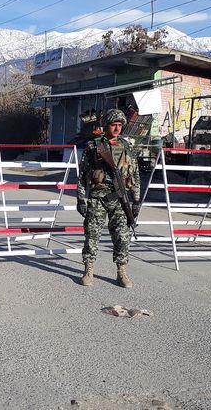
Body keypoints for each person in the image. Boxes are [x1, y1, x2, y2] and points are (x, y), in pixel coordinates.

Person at [76, 109, 140, 288]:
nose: (117, 128)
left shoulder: (127, 147)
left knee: (122, 236)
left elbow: (135, 174)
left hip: (120, 199)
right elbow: (82, 175)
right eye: (114, 125)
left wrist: (136, 200)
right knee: (92, 235)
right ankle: (88, 270)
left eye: (120, 125)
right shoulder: (94, 146)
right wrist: (81, 198)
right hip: (98, 198)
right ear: (106, 126)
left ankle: (122, 272)